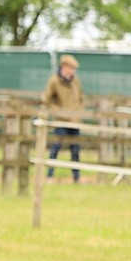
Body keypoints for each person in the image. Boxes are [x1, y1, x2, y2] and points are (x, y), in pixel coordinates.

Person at [42, 54, 85, 182]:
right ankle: (49, 175)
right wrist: (58, 112)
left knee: (75, 150)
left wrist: (79, 112)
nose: (73, 71)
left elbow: (81, 98)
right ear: (65, 67)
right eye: (72, 68)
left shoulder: (75, 81)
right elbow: (47, 100)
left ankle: (76, 178)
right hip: (61, 121)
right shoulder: (54, 81)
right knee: (55, 148)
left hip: (75, 121)